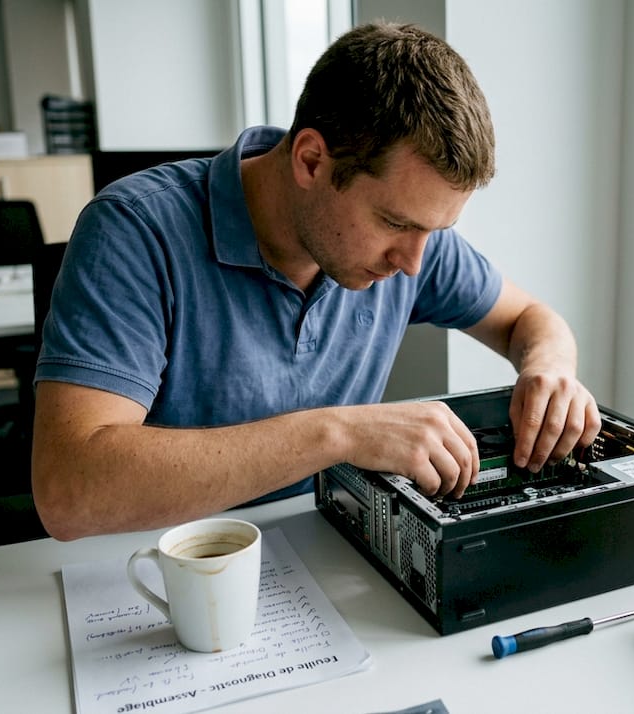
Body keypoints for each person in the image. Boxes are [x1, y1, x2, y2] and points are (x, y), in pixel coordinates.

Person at [31, 21, 601, 541]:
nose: (412, 263)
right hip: (157, 570)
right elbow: (69, 492)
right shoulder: (134, 230)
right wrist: (338, 435)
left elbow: (531, 320)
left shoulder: (409, 245)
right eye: (395, 223)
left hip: (321, 551)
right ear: (310, 161)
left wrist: (549, 370)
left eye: (434, 230)